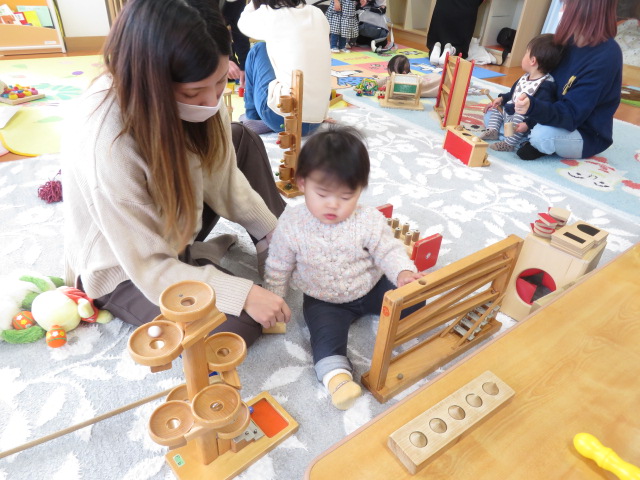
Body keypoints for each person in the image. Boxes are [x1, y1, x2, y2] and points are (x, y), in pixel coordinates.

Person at [61, 0, 291, 348]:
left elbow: (224, 178)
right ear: (151, 82)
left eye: (220, 83)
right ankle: (194, 261)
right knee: (231, 330)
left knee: (242, 137)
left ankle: (274, 244)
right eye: (193, 93)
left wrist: (271, 232)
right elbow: (147, 264)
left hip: (175, 224)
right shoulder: (107, 139)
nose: (211, 101)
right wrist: (242, 293)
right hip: (125, 265)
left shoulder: (202, 92)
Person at [264, 126, 424, 410]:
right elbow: (278, 265)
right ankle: (338, 380)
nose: (333, 205)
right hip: (325, 300)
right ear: (302, 183)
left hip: (372, 286)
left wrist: (403, 273)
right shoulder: (291, 223)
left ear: (359, 190)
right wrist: (273, 300)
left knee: (416, 298)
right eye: (322, 194)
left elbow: (388, 250)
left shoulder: (368, 219)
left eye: (346, 196)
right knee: (325, 339)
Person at [513, 0, 623, 160]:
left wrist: (534, 108)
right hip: (554, 112)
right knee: (502, 115)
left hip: (582, 131)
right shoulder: (567, 41)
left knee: (541, 136)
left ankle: (538, 143)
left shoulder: (606, 56)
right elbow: (541, 80)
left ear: (584, 10)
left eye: (566, 4)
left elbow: (572, 115)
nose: (562, 9)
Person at [237, 0, 331, 135]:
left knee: (258, 49)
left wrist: (254, 3)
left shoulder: (270, 14)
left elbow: (243, 23)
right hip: (316, 120)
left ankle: (253, 117)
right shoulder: (317, 13)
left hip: (282, 118)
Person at [482, 34, 562, 152]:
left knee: (519, 117)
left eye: (525, 53)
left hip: (522, 122)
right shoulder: (525, 77)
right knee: (494, 109)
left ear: (533, 61)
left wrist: (528, 124)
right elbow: (513, 94)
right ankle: (493, 131)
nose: (523, 57)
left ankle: (509, 143)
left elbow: (542, 113)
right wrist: (501, 99)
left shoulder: (545, 86)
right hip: (509, 114)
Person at [377, 54, 441, 97]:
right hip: (432, 76)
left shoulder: (407, 81)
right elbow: (386, 79)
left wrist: (387, 87)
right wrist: (376, 83)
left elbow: (400, 92)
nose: (391, 76)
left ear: (404, 74)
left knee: (438, 84)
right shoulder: (396, 76)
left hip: (435, 83)